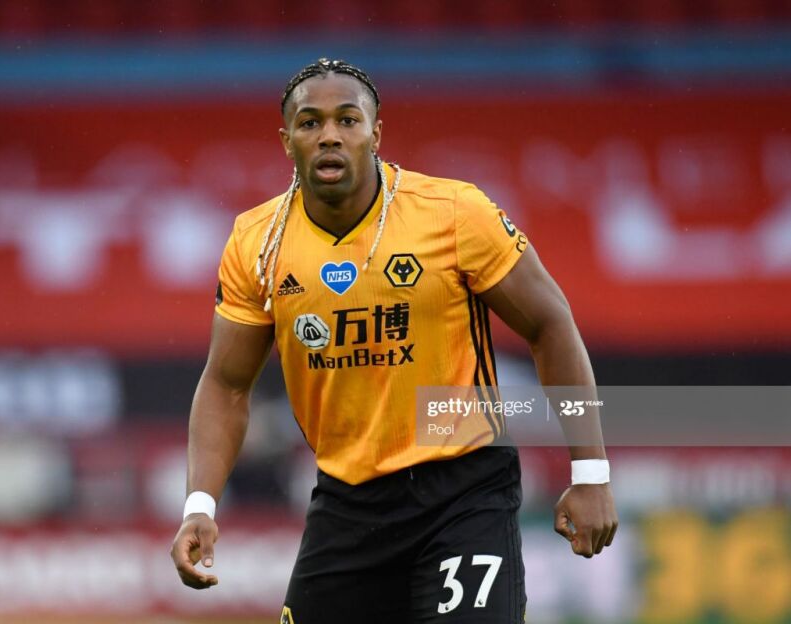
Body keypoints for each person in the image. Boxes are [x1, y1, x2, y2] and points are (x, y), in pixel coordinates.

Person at [171, 58, 618, 623]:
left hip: (462, 491)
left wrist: (590, 473)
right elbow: (226, 384)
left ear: (375, 134)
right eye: (309, 123)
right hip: (347, 501)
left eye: (347, 120)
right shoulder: (255, 242)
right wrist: (200, 505)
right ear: (286, 141)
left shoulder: (454, 214)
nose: (329, 135)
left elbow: (550, 323)